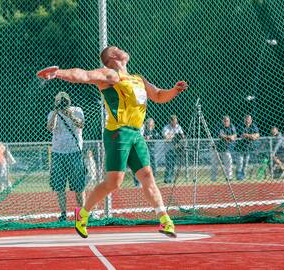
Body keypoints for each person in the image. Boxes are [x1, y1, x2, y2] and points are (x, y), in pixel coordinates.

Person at [37, 46, 188, 238]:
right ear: (114, 56)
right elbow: (82, 75)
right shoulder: (110, 75)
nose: (122, 49)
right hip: (118, 132)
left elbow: (158, 95)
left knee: (147, 176)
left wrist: (174, 91)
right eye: (118, 48)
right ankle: (82, 215)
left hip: (136, 134)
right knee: (114, 182)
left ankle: (165, 220)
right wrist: (57, 73)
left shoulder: (138, 79)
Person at [47, 92, 88, 222]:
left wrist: (70, 115)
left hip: (75, 152)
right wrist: (55, 111)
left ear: (69, 101)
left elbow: (81, 125)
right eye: (59, 101)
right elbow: (49, 127)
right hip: (58, 153)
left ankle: (81, 214)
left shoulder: (77, 111)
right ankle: (63, 214)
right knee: (59, 186)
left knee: (79, 186)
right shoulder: (52, 113)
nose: (62, 104)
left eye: (64, 101)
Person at [133, 118, 160, 187]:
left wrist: (150, 137)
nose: (150, 126)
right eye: (148, 124)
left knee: (153, 163)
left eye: (151, 124)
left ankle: (152, 179)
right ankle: (137, 182)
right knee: (141, 164)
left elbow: (157, 136)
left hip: (151, 149)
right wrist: (145, 138)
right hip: (142, 149)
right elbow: (140, 137)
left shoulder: (154, 131)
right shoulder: (143, 130)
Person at [212, 115, 236, 181]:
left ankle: (229, 177)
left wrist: (232, 137)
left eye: (227, 121)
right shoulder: (219, 126)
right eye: (225, 121)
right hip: (216, 148)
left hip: (226, 148)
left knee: (229, 162)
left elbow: (235, 135)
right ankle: (214, 178)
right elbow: (220, 135)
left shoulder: (231, 126)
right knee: (214, 163)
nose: (226, 122)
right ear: (222, 121)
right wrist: (229, 137)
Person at [162, 115, 185, 184]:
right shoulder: (166, 127)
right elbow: (166, 138)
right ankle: (167, 179)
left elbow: (182, 136)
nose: (175, 123)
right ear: (171, 121)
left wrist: (172, 135)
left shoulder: (178, 127)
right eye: (173, 121)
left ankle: (171, 178)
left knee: (173, 164)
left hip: (176, 147)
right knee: (168, 164)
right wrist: (174, 136)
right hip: (168, 148)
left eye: (176, 121)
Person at [236, 115, 260, 180]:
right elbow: (243, 135)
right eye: (246, 119)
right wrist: (252, 136)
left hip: (248, 148)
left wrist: (250, 136)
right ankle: (238, 176)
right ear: (244, 120)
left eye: (249, 119)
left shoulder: (253, 126)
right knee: (240, 162)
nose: (247, 121)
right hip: (240, 148)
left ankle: (243, 176)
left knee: (245, 163)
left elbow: (257, 135)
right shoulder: (240, 126)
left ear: (251, 120)